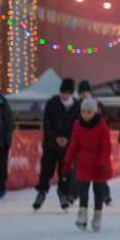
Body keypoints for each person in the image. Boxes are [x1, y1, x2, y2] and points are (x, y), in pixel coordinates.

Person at [62, 94, 115, 232]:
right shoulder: (77, 125)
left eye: (89, 112)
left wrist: (102, 162)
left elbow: (106, 146)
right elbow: (74, 144)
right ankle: (83, 213)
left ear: (95, 112)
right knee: (83, 188)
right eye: (83, 112)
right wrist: (67, 161)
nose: (86, 115)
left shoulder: (102, 126)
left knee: (98, 190)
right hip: (84, 160)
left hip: (99, 162)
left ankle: (97, 215)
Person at [33, 78, 77, 211]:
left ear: (71, 93)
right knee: (46, 170)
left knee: (65, 172)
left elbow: (77, 126)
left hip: (67, 147)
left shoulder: (77, 106)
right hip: (51, 145)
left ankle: (63, 193)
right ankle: (41, 192)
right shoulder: (52, 103)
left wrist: (67, 139)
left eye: (67, 93)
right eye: (63, 92)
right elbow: (47, 124)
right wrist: (56, 138)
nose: (64, 95)